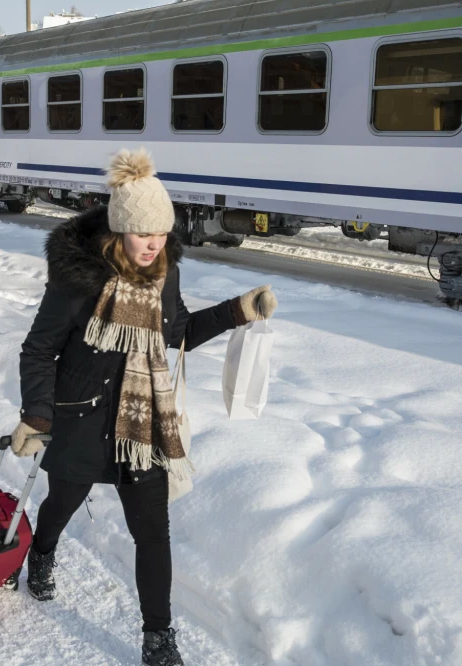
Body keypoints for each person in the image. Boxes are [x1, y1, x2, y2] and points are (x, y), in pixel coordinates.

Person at [14, 149, 277, 666]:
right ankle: (41, 554)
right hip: (82, 416)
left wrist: (237, 311)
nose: (154, 244)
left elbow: (176, 333)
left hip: (142, 423)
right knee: (62, 504)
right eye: (142, 234)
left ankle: (158, 637)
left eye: (160, 233)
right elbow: (39, 350)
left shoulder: (164, 272)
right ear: (119, 230)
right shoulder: (77, 280)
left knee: (153, 535)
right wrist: (37, 414)